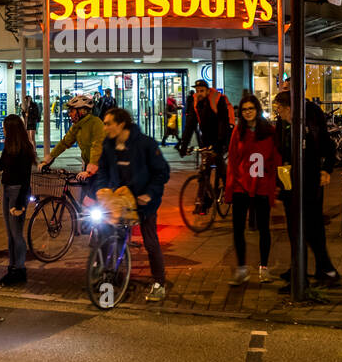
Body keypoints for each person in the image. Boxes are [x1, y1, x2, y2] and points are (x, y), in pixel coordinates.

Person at [92, 107, 170, 302]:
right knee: (107, 232)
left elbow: (162, 172)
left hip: (144, 202)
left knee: (150, 241)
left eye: (108, 123)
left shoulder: (145, 144)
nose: (105, 127)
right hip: (118, 201)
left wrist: (149, 194)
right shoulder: (108, 145)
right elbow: (103, 170)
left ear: (121, 124)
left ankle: (159, 283)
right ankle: (107, 274)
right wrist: (102, 189)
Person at [272, 91, 342, 291]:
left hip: (308, 180)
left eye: (280, 110)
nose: (278, 114)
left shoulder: (309, 118)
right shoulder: (284, 124)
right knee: (297, 228)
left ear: (289, 108)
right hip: (289, 179)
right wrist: (281, 184)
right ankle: (309, 270)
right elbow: (282, 151)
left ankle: (318, 271)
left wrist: (326, 169)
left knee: (310, 227)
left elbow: (325, 144)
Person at [224, 95, 281, 284]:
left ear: (257, 109)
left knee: (264, 228)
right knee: (238, 229)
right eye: (244, 109)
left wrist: (275, 185)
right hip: (242, 186)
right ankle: (241, 268)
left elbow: (274, 159)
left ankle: (263, 268)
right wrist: (230, 188)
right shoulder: (237, 132)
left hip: (262, 186)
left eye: (251, 108)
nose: (248, 112)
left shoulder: (269, 132)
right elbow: (232, 160)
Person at [177, 79, 233, 213]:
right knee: (204, 170)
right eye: (197, 91)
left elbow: (223, 122)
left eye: (202, 91)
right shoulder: (196, 103)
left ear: (207, 91)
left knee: (218, 161)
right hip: (206, 138)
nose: (199, 93)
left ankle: (227, 189)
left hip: (221, 136)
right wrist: (184, 145)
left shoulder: (217, 100)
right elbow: (190, 125)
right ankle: (204, 200)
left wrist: (219, 144)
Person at [0, 113, 36, 287]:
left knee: (16, 233)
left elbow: (25, 178)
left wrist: (21, 203)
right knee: (10, 234)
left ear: (12, 129)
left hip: (17, 192)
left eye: (5, 127)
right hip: (6, 189)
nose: (3, 130)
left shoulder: (24, 149)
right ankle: (12, 267)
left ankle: (19, 269)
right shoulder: (8, 146)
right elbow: (2, 167)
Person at [41, 93, 104, 179]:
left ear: (81, 111)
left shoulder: (95, 123)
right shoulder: (77, 125)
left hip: (101, 168)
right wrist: (49, 158)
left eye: (72, 111)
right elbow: (64, 143)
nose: (69, 114)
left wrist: (91, 168)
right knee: (85, 191)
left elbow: (97, 146)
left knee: (97, 191)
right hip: (88, 165)